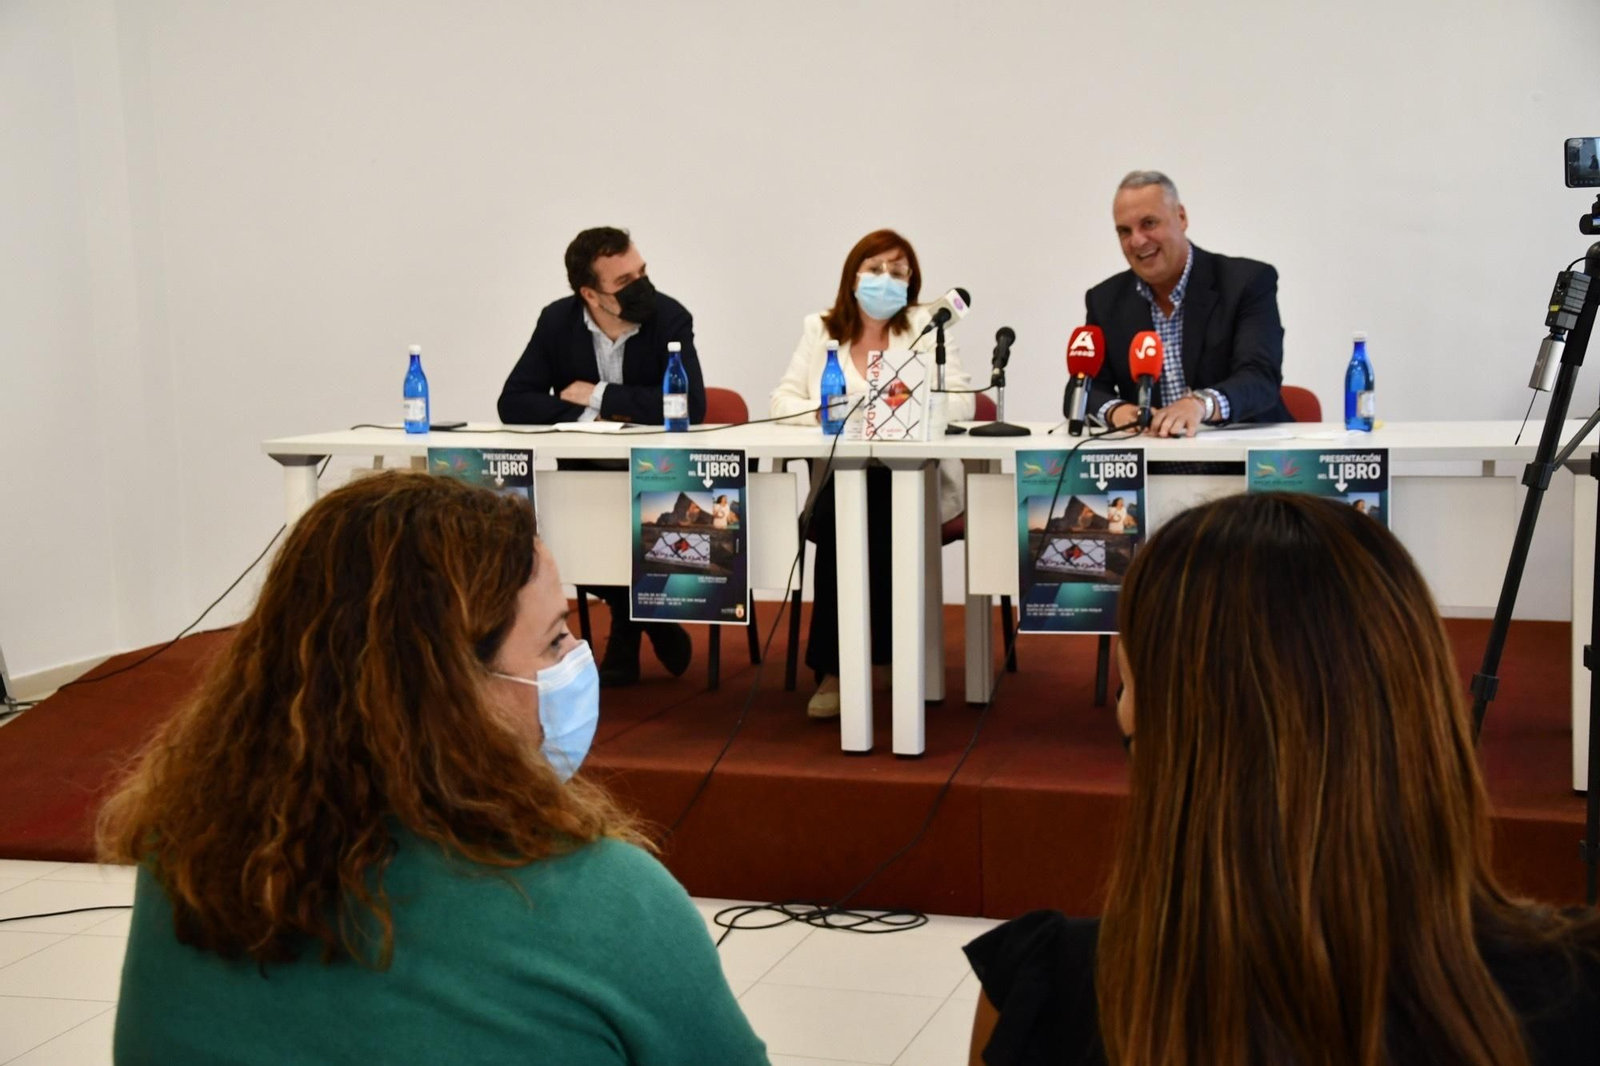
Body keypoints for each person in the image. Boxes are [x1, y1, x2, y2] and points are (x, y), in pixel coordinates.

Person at [100, 473, 767, 1065]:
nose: (575, 661)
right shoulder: (609, 903)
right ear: (452, 689)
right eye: (556, 638)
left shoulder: (185, 860)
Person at [963, 493, 1600, 1066]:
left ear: (1159, 730)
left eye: (1130, 686)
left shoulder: (1049, 995)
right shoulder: (1575, 986)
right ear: (1423, 700)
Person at [770, 229, 976, 718]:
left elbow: (964, 400)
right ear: (853, 275)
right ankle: (848, 669)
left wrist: (911, 410)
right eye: (876, 268)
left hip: (919, 483)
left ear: (911, 282)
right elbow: (781, 402)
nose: (886, 279)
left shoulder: (927, 327)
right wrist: (831, 413)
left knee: (872, 504)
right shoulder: (820, 328)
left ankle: (856, 665)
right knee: (849, 507)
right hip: (840, 481)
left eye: (898, 272)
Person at [498, 226, 704, 686]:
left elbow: (690, 405)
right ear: (590, 293)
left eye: (642, 272)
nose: (641, 285)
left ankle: (627, 634)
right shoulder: (558, 321)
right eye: (624, 281)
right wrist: (596, 417)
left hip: (658, 473)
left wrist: (598, 393)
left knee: (628, 520)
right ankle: (651, 620)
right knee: (574, 528)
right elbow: (514, 402)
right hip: (587, 471)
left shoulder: (670, 318)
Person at [1068, 171, 1292, 438]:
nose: (1137, 241)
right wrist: (1116, 411)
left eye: (1148, 223)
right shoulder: (1105, 300)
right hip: (1157, 466)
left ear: (1181, 217)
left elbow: (1260, 377)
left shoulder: (1246, 282)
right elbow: (1081, 390)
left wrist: (1199, 405)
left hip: (1244, 463)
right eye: (1124, 231)